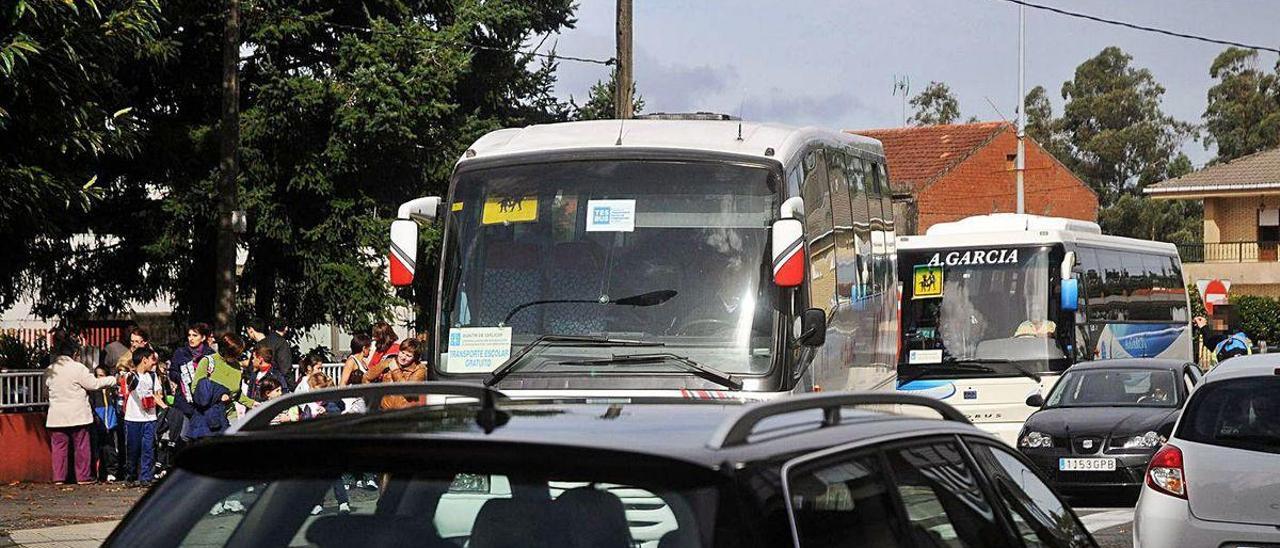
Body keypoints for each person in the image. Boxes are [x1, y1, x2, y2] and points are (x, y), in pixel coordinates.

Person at [44, 328, 118, 485]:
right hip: (78, 414)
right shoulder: (78, 368)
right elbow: (93, 384)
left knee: (59, 448)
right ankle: (83, 477)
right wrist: (112, 380)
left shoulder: (50, 370)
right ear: (75, 354)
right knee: (82, 446)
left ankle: (59, 478)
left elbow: (45, 392)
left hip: (56, 415)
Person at [123, 348, 167, 487]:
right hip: (133, 418)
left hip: (150, 417)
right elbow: (129, 386)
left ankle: (145, 477)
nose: (154, 363)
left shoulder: (153, 376)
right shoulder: (131, 376)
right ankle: (130, 475)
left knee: (148, 448)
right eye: (152, 359)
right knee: (133, 448)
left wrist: (163, 405)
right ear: (144, 360)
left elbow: (157, 393)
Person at [193, 333, 258, 421]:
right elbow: (195, 389)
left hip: (231, 416)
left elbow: (236, 393)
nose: (238, 357)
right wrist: (218, 397)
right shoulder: (207, 362)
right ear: (225, 351)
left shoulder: (237, 366)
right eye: (235, 354)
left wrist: (251, 403)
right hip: (211, 416)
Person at [169, 323, 214, 437]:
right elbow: (172, 372)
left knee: (201, 436)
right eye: (189, 335)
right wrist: (183, 376)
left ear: (203, 337)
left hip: (204, 402)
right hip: (184, 401)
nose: (191, 338)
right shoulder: (180, 352)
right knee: (183, 436)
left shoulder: (210, 354)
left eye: (195, 335)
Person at [363, 338, 426, 409]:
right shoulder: (388, 362)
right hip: (385, 411)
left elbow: (408, 392)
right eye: (402, 352)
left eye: (408, 356)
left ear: (415, 358)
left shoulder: (419, 369)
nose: (403, 357)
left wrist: (395, 370)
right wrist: (371, 400)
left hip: (405, 413)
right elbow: (366, 377)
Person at [88, 365, 123, 482]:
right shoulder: (92, 391)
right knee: (96, 448)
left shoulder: (112, 390)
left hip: (111, 423)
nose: (99, 379)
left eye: (102, 376)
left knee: (110, 448)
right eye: (97, 376)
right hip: (97, 422)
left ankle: (111, 472)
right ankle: (96, 473)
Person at [246, 318, 294, 390]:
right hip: (277, 385)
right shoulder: (282, 343)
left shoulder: (260, 344)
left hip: (261, 384)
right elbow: (285, 367)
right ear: (286, 328)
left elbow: (252, 367)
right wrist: (291, 387)